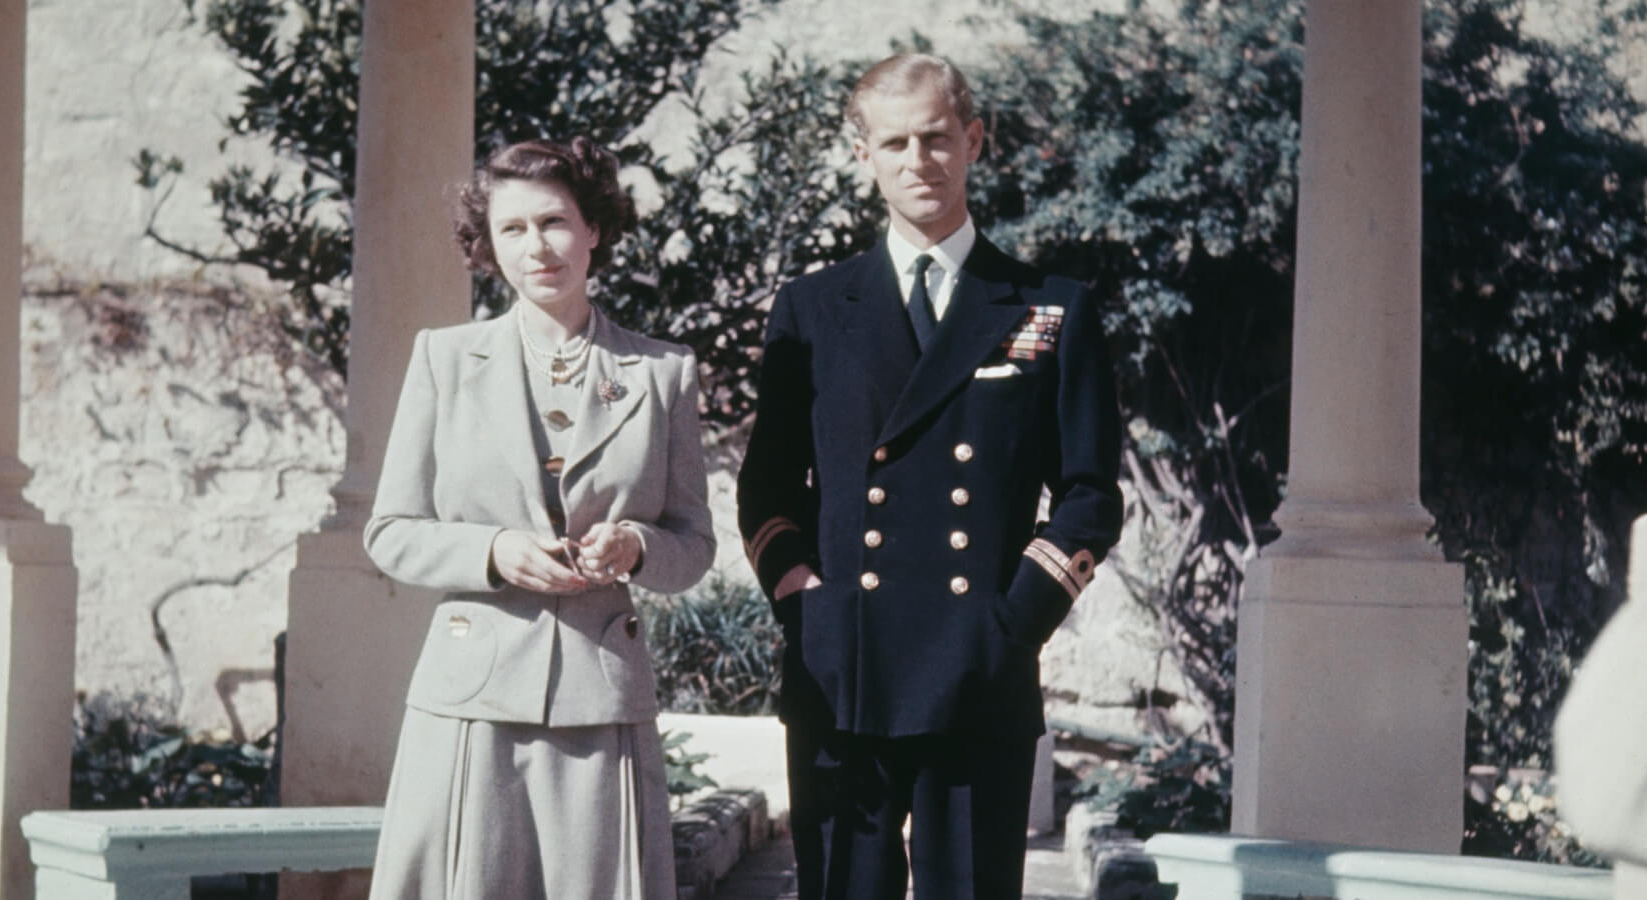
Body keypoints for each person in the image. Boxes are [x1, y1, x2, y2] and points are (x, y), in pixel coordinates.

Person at [736, 53, 1123, 900]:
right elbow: (766, 489)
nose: (920, 161)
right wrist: (805, 601)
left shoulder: (1048, 307)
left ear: (974, 141)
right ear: (863, 154)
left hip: (978, 670)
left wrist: (1013, 620)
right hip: (844, 665)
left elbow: (1091, 493)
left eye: (938, 139)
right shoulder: (811, 308)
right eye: (896, 142)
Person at [362, 136, 715, 900]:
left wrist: (636, 545)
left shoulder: (662, 373)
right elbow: (390, 530)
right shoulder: (443, 360)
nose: (537, 247)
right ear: (487, 244)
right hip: (468, 704)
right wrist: (492, 552)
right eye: (512, 229)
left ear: (593, 228)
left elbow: (693, 545)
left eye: (554, 222)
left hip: (601, 698)